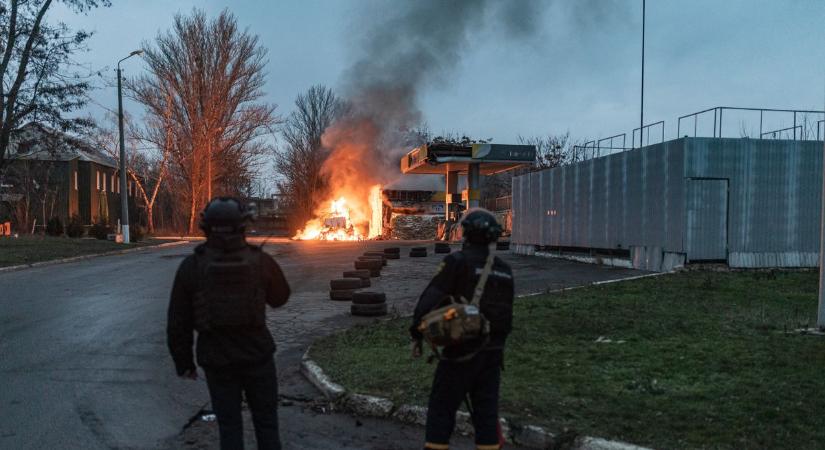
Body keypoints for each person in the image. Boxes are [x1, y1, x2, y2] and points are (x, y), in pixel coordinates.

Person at [167, 197, 290, 450]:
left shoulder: (192, 266)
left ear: (205, 227)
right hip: (258, 356)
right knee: (267, 425)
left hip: (217, 361)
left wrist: (184, 363)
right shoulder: (260, 261)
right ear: (242, 225)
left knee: (229, 427)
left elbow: (178, 321)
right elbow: (280, 298)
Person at [410, 208, 515, 450]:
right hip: (493, 356)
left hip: (461, 352)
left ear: (466, 234)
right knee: (486, 415)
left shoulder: (457, 262)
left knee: (441, 409)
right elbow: (506, 318)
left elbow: (429, 300)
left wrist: (416, 332)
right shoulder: (504, 270)